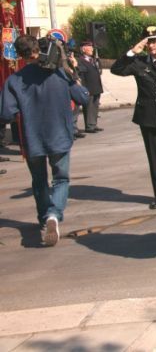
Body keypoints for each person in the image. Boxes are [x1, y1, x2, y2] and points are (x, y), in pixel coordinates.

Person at [0, 35, 89, 246]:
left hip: (32, 138)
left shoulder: (15, 79)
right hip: (59, 135)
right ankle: (53, 215)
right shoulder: (59, 73)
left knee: (39, 181)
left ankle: (44, 218)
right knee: (61, 179)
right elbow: (83, 97)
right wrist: (71, 72)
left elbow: (5, 113)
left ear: (20, 56)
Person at [111, 26, 156, 209]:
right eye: (148, 41)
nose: (151, 45)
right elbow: (116, 69)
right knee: (154, 157)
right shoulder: (139, 62)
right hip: (148, 116)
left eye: (154, 41)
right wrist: (131, 52)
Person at [75, 40, 103, 133]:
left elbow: (98, 71)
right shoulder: (79, 60)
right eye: (89, 47)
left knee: (95, 106)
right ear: (83, 49)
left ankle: (94, 124)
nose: (92, 49)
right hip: (87, 87)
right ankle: (89, 126)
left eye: (92, 47)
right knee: (89, 107)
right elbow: (80, 73)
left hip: (96, 86)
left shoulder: (93, 60)